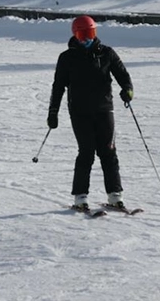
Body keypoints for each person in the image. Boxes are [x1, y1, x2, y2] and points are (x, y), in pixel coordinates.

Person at [46, 15, 133, 211]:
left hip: (104, 110)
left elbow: (123, 75)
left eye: (91, 33)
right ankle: (80, 197)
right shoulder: (67, 58)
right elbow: (58, 87)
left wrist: (127, 90)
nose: (87, 39)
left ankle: (114, 195)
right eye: (83, 34)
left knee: (108, 152)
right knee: (86, 153)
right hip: (80, 112)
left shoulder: (107, 54)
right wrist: (53, 112)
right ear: (75, 35)